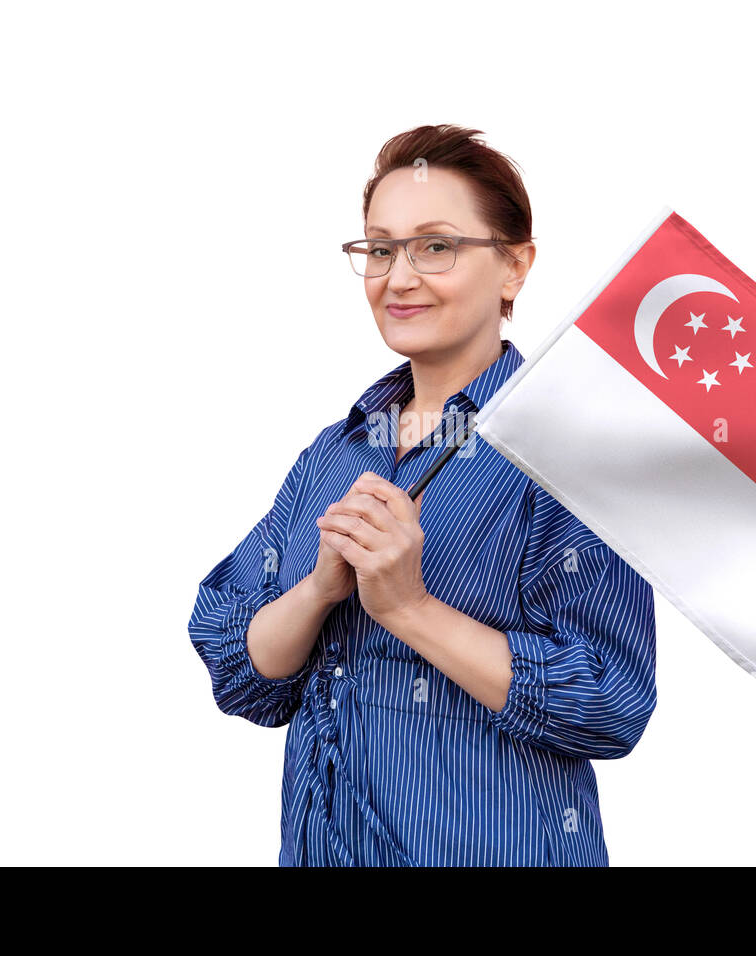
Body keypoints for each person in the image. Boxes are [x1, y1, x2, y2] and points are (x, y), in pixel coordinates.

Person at [187, 124, 657, 866]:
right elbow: (241, 672)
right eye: (379, 249)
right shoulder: (334, 453)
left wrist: (408, 607)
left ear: (514, 267)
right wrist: (316, 592)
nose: (398, 277)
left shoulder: (568, 457)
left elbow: (609, 704)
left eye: (435, 246)